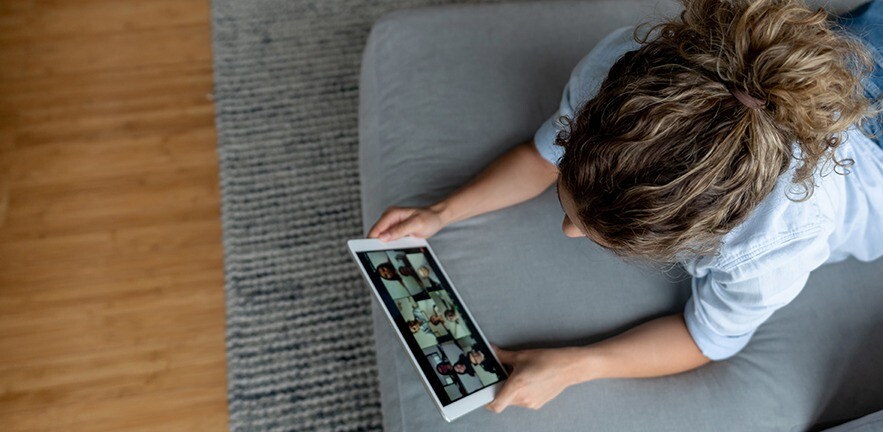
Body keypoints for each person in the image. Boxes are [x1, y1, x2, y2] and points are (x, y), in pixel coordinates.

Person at [368, 0, 883, 413]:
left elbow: (707, 340)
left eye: (588, 231)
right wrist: (441, 213)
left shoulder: (772, 243)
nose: (567, 231)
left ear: (696, 240)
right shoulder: (615, 74)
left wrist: (576, 366)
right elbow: (541, 154)